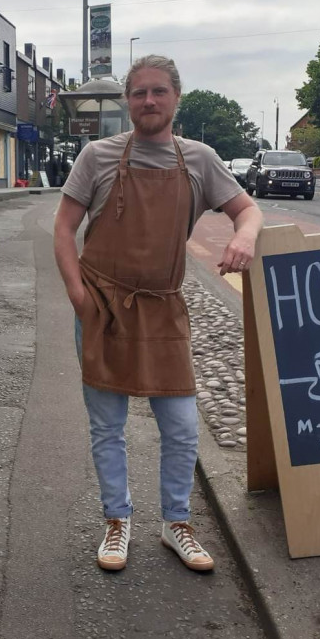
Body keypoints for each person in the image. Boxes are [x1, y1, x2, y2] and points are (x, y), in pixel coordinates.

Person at [54, 54, 262, 572]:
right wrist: (81, 298)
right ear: (128, 101)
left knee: (183, 425)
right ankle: (117, 522)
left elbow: (249, 209)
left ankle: (175, 523)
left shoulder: (199, 159)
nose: (149, 101)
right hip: (103, 308)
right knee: (108, 426)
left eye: (159, 92)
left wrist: (245, 235)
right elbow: (62, 230)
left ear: (175, 97)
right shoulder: (97, 157)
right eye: (140, 92)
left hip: (165, 308)